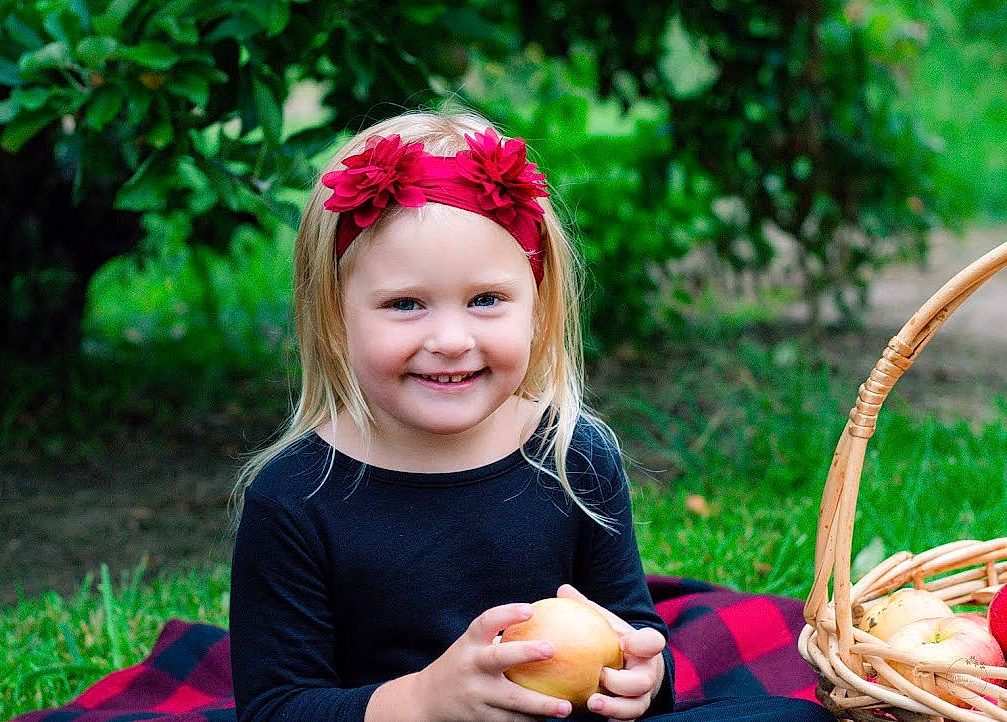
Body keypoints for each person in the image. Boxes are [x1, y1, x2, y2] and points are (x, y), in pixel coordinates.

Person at [228, 109, 834, 722]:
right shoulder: (296, 496)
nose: (452, 340)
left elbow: (629, 625)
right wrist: (425, 701)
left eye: (486, 300)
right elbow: (276, 707)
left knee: (798, 719)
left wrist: (643, 675)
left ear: (538, 305)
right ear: (335, 316)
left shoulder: (572, 455)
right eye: (405, 304)